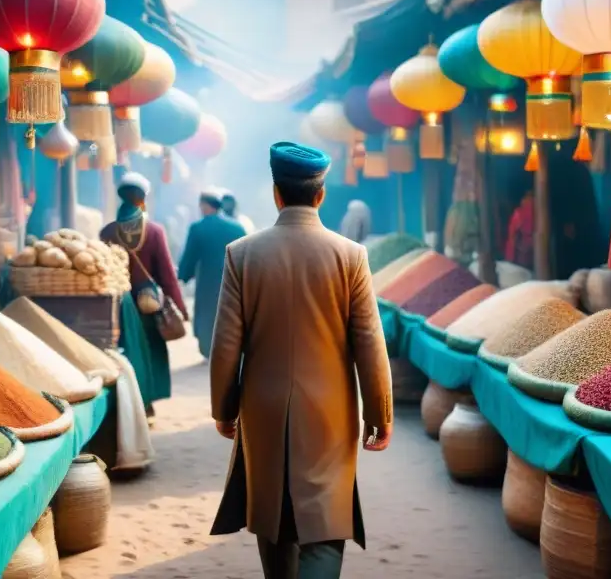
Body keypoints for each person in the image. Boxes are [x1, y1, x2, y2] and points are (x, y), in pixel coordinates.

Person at [209, 142, 393, 579]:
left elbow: (225, 345)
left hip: (264, 409)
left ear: (276, 193)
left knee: (274, 520)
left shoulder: (242, 253)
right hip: (330, 413)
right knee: (326, 522)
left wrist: (224, 409)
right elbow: (369, 341)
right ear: (321, 194)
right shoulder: (350, 255)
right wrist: (379, 414)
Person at [100, 173, 187, 415]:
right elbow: (167, 276)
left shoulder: (107, 232)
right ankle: (147, 406)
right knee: (150, 351)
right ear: (142, 200)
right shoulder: (155, 231)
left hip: (117, 305)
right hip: (148, 305)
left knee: (126, 353)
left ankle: (127, 407)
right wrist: (180, 306)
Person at [179, 188, 247, 359]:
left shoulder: (198, 228)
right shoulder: (237, 227)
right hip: (232, 280)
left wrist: (183, 276)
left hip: (207, 283)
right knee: (231, 313)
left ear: (204, 206)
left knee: (207, 315)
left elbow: (190, 256)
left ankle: (208, 350)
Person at [504, 190, 534, 270]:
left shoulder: (519, 213)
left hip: (524, 250)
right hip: (532, 248)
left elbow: (512, 235)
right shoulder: (520, 213)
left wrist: (510, 257)